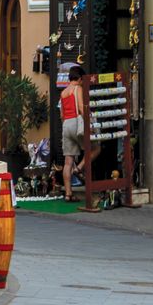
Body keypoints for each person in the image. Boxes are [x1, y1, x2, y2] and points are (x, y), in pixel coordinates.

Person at [59, 63, 88, 202]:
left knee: (68, 161)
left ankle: (68, 193)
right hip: (77, 123)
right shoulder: (78, 89)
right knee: (94, 149)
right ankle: (80, 167)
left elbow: (62, 114)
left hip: (66, 125)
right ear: (80, 78)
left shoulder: (63, 92)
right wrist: (90, 122)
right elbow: (82, 108)